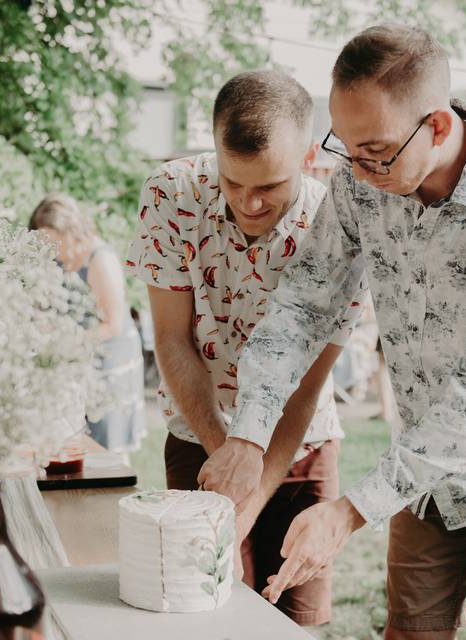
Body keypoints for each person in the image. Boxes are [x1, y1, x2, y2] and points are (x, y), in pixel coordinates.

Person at [198, 25, 466, 640]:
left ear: (438, 127)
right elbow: (304, 306)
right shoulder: (361, 185)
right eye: (345, 147)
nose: (358, 171)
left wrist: (349, 512)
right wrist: (249, 436)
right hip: (426, 472)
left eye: (376, 151)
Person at [124, 70, 365, 626]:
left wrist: (248, 502)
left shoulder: (336, 228)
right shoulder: (171, 194)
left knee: (293, 616)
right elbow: (171, 338)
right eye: (233, 183)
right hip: (197, 432)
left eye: (270, 187)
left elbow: (307, 384)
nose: (249, 203)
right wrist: (223, 456)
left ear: (308, 157)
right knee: (200, 612)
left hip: (299, 444)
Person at [29, 194, 146, 455]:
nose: (51, 249)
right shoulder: (57, 257)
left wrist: (64, 342)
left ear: (70, 232)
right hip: (79, 361)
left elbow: (112, 325)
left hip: (109, 361)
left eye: (53, 240)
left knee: (107, 448)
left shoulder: (100, 260)